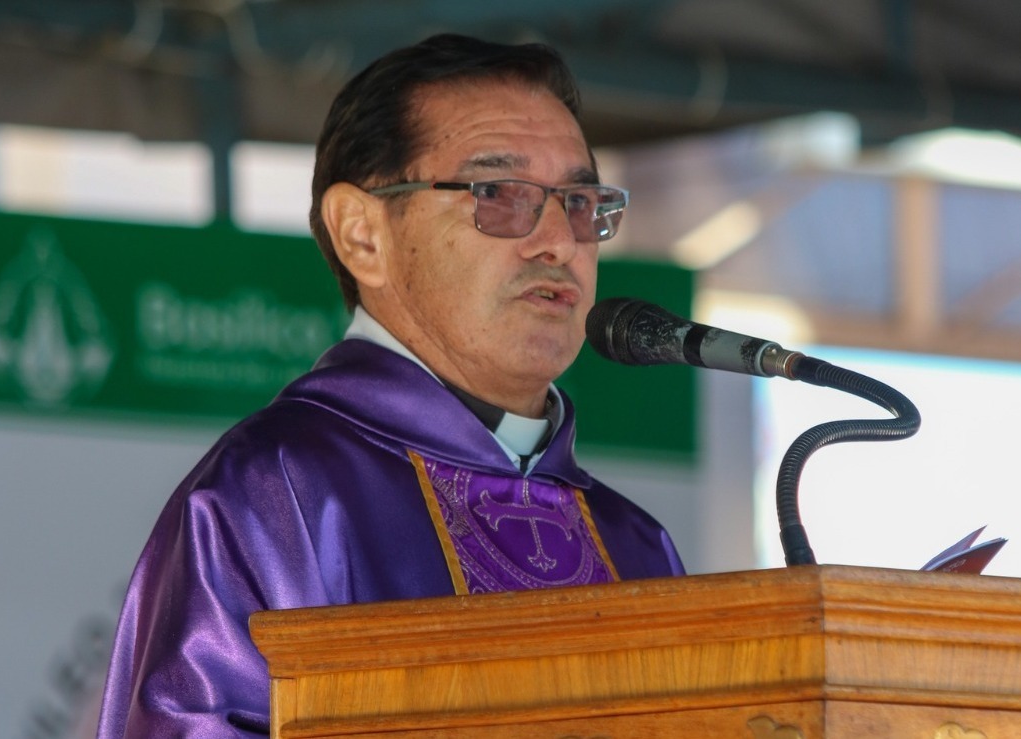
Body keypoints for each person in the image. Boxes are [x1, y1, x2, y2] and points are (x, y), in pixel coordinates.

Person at [96, 33, 684, 737]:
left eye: (580, 200)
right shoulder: (275, 496)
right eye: (498, 194)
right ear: (361, 234)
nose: (559, 240)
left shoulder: (636, 544)